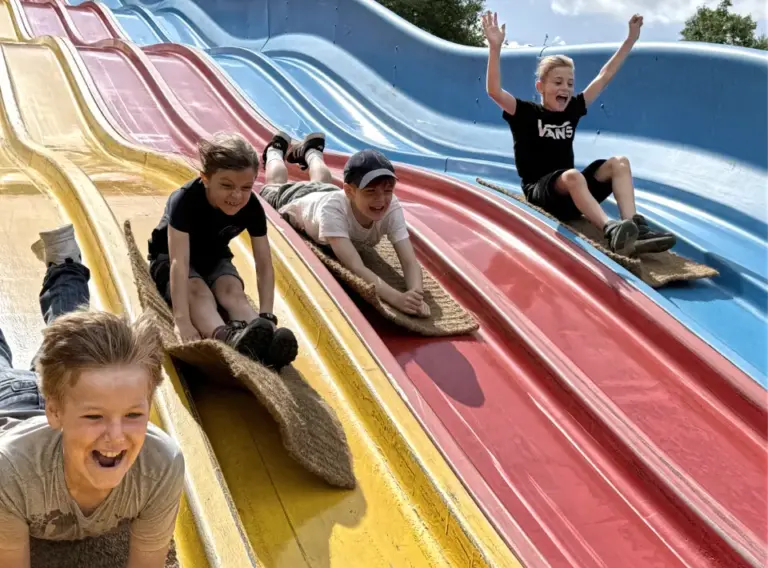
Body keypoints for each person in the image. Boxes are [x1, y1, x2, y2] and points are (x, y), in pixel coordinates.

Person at [0, 224, 184, 568]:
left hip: (69, 400)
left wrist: (89, 413)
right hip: (9, 404)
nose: (116, 436)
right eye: (95, 417)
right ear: (55, 412)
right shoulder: (9, 472)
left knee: (73, 342)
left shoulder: (160, 466)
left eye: (132, 415)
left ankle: (65, 263)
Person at [482, 11, 676, 255]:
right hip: (542, 193)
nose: (566, 88)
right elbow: (494, 91)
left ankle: (635, 227)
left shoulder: (572, 109)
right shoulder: (525, 113)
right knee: (573, 176)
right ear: (540, 87)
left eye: (570, 83)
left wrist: (630, 40)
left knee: (619, 163)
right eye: (558, 82)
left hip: (572, 196)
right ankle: (611, 230)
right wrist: (495, 47)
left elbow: (604, 77)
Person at [147, 132, 298, 371]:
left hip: (214, 256)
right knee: (197, 291)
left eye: (246, 187)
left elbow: (264, 263)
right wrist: (182, 321)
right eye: (226, 185)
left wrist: (267, 316)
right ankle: (226, 337)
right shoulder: (185, 200)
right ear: (205, 178)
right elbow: (179, 261)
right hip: (170, 257)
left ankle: (264, 340)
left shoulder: (252, 207)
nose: (237, 195)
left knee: (232, 290)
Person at [259, 131, 430, 317]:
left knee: (322, 181)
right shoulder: (332, 211)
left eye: (387, 190)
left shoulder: (391, 206)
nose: (381, 200)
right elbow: (356, 266)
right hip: (295, 198)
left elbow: (408, 260)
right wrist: (397, 298)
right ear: (350, 191)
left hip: (327, 192)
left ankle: (311, 152)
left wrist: (416, 294)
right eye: (371, 191)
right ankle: (275, 150)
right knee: (275, 183)